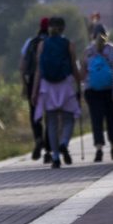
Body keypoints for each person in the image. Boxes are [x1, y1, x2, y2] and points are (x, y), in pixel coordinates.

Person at [31, 16, 81, 168]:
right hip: (65, 84)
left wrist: (35, 91)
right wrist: (79, 84)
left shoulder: (42, 45)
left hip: (48, 86)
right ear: (63, 28)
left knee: (51, 122)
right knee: (69, 118)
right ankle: (64, 142)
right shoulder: (68, 44)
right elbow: (73, 66)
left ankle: (56, 156)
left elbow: (39, 70)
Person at [81, 23, 113, 161]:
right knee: (111, 119)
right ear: (106, 34)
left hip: (92, 90)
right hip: (110, 89)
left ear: (93, 36)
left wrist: (81, 89)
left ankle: (99, 149)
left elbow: (83, 73)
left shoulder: (88, 51)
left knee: (96, 120)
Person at [20, 18, 51, 162]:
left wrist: (24, 85)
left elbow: (23, 66)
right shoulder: (55, 42)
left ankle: (38, 138)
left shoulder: (30, 42)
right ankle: (49, 150)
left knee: (35, 114)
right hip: (52, 81)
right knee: (50, 114)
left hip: (33, 81)